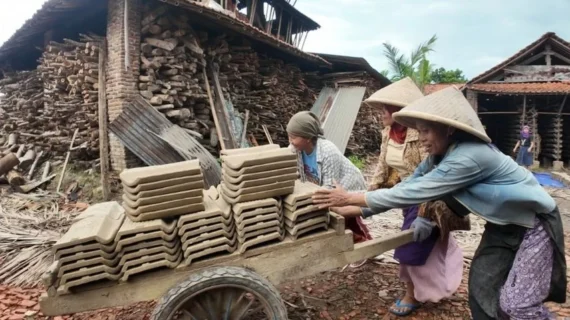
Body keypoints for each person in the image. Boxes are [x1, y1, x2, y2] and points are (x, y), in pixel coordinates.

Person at [312, 87, 566, 320]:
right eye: (419, 131)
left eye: (425, 131)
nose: (421, 138)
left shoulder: (469, 157)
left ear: (449, 129)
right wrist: (355, 209)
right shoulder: (439, 156)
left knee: (517, 304)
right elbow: (407, 185)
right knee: (481, 286)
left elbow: (418, 191)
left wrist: (349, 198)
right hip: (502, 226)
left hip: (535, 226)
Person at [362, 77, 467, 316]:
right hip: (404, 194)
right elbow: (382, 167)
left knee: (412, 247)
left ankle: (412, 295)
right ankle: (439, 283)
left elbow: (432, 175)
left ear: (397, 109)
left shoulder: (421, 134)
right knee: (429, 245)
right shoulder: (387, 133)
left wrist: (426, 212)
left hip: (426, 195)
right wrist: (367, 199)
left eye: (384, 108)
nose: (381, 113)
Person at [286, 111, 372, 243]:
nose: (290, 141)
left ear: (308, 137)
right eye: (289, 136)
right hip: (324, 189)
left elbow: (329, 190)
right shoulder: (296, 149)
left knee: (345, 220)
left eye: (293, 137)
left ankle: (366, 244)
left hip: (346, 188)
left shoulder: (327, 151)